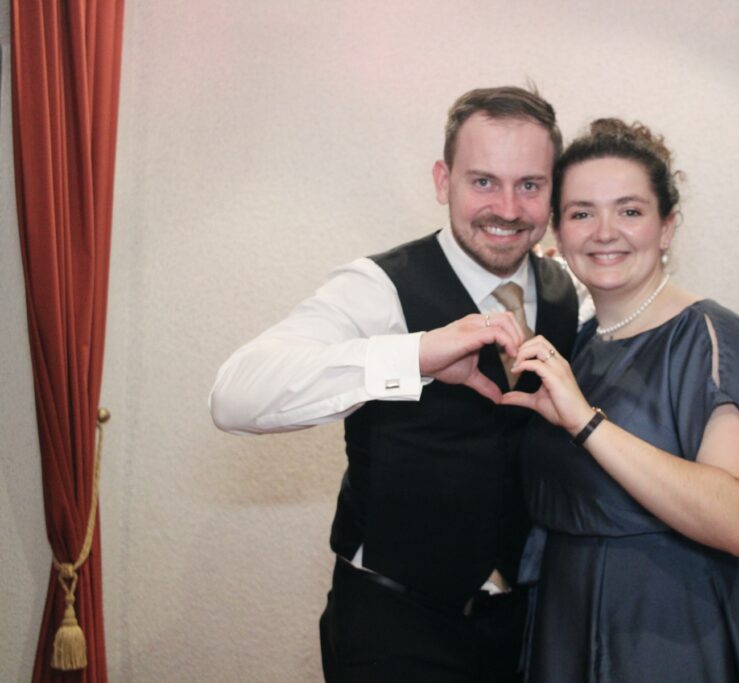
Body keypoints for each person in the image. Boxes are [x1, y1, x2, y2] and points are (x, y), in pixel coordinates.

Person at [209, 86, 579, 682]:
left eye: (530, 185)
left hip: (522, 632)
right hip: (393, 629)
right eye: (484, 181)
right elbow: (235, 395)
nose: (508, 208)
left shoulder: (569, 294)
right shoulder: (377, 286)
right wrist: (413, 357)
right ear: (443, 180)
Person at [502, 118, 739, 682]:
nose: (604, 232)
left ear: (667, 227)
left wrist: (587, 424)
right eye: (582, 213)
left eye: (630, 211)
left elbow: (737, 519)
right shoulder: (576, 347)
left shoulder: (711, 337)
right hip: (567, 618)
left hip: (675, 628)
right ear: (558, 233)